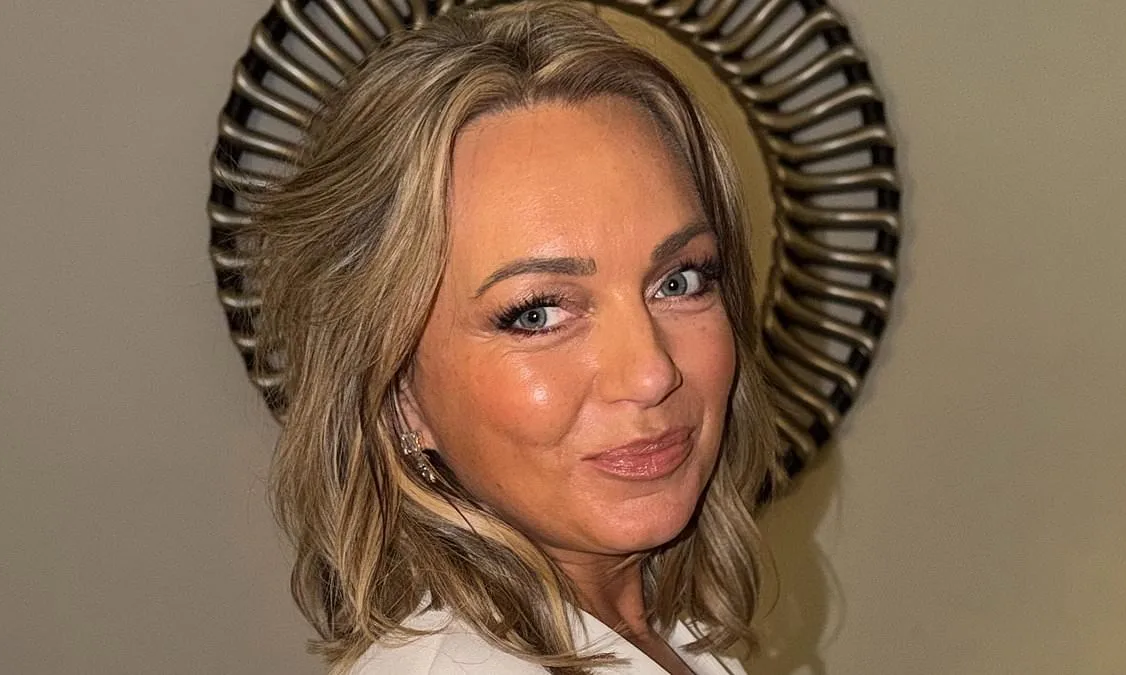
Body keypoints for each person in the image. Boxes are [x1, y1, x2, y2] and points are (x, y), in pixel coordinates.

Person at [250, 2, 783, 673]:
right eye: (538, 314)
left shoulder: (669, 635)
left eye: (679, 281)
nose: (651, 373)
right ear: (398, 391)